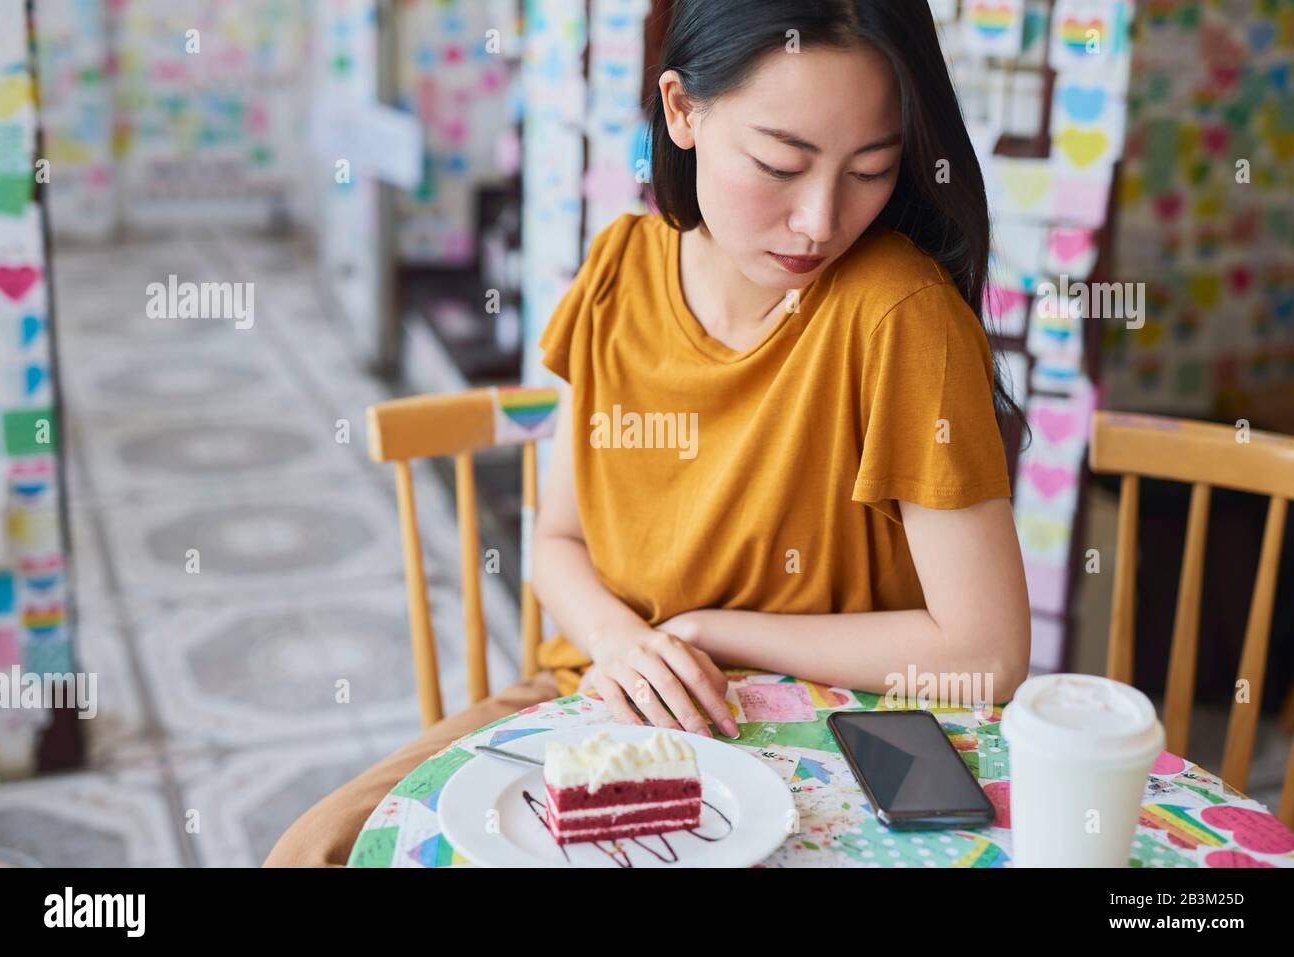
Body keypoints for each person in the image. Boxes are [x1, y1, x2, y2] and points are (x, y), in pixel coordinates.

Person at [265, 0, 1030, 867]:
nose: (820, 220)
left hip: (820, 730)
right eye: (782, 162)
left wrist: (708, 632)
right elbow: (558, 537)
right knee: (314, 851)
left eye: (870, 169)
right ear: (682, 110)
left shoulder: (899, 314)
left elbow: (986, 651)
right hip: (592, 699)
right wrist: (621, 639)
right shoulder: (619, 270)